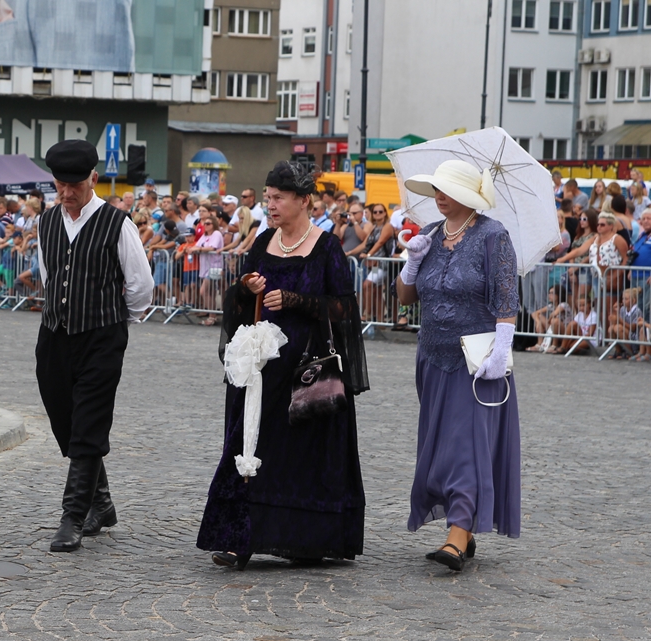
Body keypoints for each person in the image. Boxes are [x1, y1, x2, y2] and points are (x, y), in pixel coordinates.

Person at [197, 160, 369, 570]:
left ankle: (303, 540)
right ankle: (239, 538)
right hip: (262, 368)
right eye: (268, 197)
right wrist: (246, 288)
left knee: (300, 455)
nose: (270, 205)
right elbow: (239, 299)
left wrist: (298, 301)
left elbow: (345, 309)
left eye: (278, 198)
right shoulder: (262, 241)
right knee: (249, 445)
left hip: (305, 370)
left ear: (303, 200)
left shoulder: (326, 247)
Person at [396, 159, 520, 572]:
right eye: (436, 189)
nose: (439, 196)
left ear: (468, 194)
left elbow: (507, 299)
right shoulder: (431, 234)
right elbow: (405, 297)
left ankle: (457, 534)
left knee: (467, 445)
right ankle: (462, 530)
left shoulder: (493, 235)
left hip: (477, 362)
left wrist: (500, 353)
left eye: (447, 189)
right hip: (433, 356)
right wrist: (412, 262)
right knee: (442, 447)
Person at [34, 139, 154, 553]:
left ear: (93, 179)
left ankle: (73, 516)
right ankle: (101, 503)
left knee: (88, 424)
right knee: (65, 422)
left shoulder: (117, 223)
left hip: (101, 337)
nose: (67, 192)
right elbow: (49, 275)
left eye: (76, 185)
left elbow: (140, 286)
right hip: (55, 335)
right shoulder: (46, 221)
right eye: (60, 185)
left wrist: (113, 321)